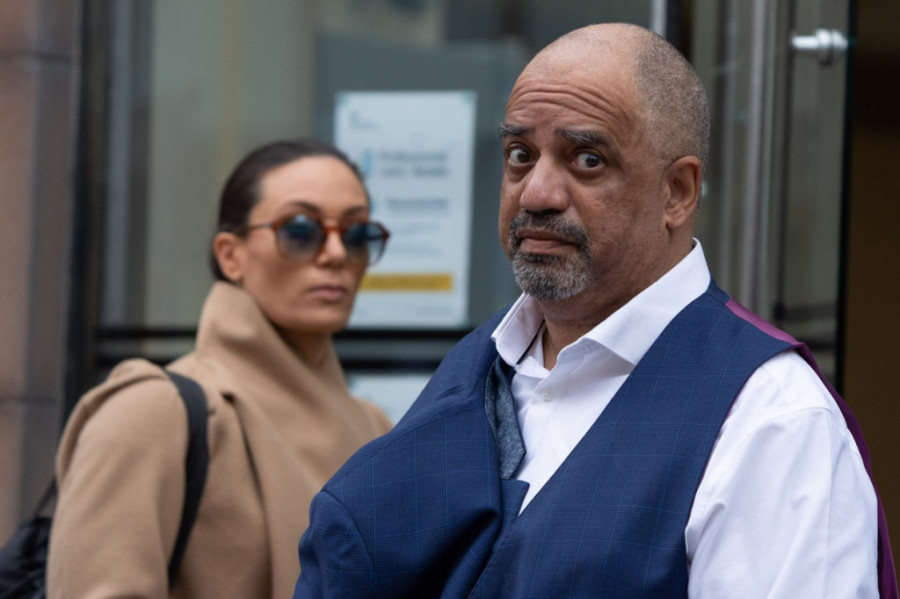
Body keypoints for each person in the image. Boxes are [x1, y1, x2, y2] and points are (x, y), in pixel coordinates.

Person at [293, 23, 898, 599]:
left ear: (678, 191)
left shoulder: (773, 419)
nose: (536, 193)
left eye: (587, 160)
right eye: (519, 154)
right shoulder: (478, 365)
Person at [47, 138, 394, 598]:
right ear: (230, 255)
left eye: (357, 235)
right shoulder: (153, 411)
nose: (335, 254)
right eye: (300, 230)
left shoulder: (374, 430)